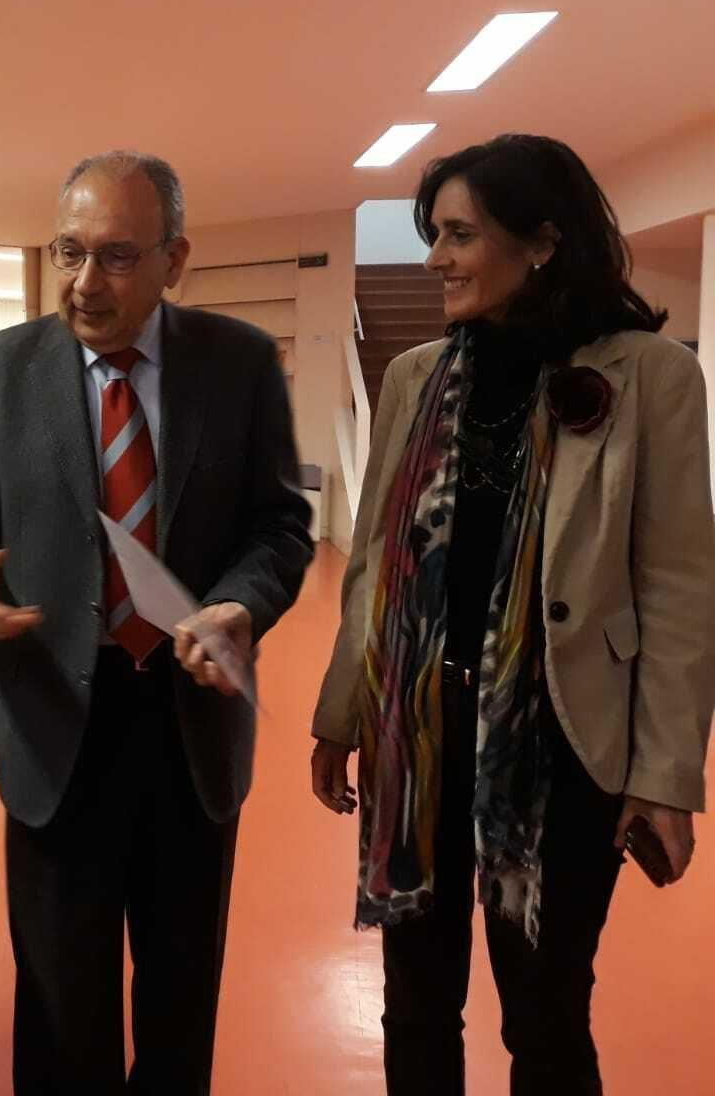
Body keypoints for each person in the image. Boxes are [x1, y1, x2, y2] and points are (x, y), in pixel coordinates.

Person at [311, 134, 715, 1095]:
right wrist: (342, 715)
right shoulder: (415, 375)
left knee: (544, 1015)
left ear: (540, 242)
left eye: (458, 235)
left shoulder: (649, 376)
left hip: (565, 751)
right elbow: (373, 564)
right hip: (419, 741)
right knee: (414, 1005)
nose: (436, 259)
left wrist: (665, 776)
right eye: (432, 236)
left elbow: (678, 589)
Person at [0, 150, 313, 1093]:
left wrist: (241, 607)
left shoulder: (239, 365)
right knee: (60, 1019)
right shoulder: (2, 371)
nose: (85, 282)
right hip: (54, 731)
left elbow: (280, 525)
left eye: (118, 257)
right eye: (69, 251)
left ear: (175, 259)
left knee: (179, 1010)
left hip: (190, 728)